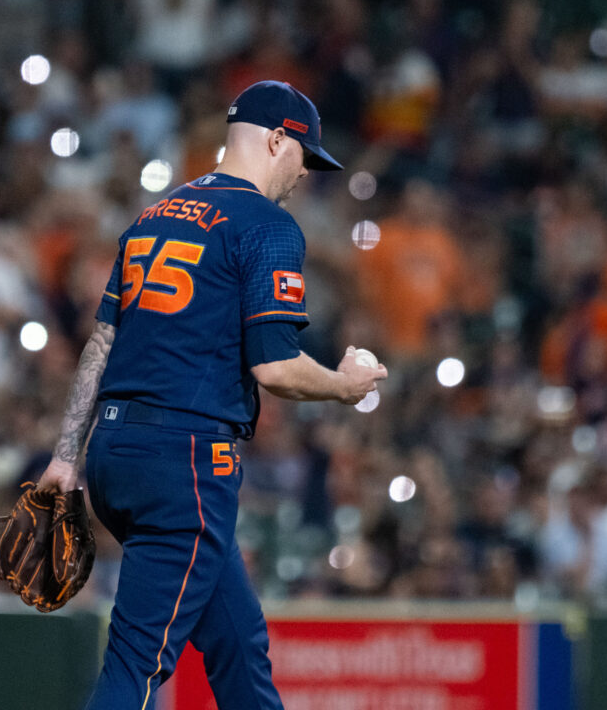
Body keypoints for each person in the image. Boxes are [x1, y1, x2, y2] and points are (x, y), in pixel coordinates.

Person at [37, 80, 387, 710]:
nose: (305, 173)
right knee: (135, 667)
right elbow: (276, 369)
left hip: (113, 451)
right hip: (185, 461)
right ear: (278, 140)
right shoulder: (267, 225)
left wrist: (67, 455)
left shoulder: (152, 216)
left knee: (238, 643)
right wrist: (345, 386)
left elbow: (100, 347)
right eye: (304, 156)